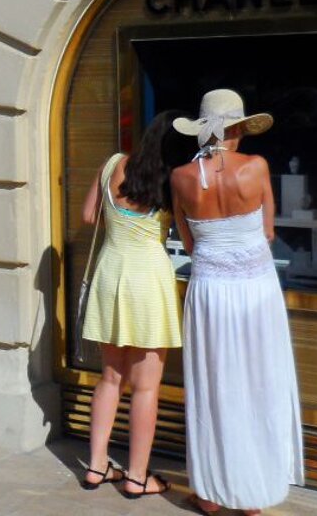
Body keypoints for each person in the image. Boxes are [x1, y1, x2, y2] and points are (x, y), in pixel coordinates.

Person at [170, 89, 304, 515]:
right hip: (256, 290)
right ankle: (254, 494)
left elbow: (188, 243)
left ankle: (211, 492)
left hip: (210, 289)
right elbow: (267, 232)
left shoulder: (180, 176)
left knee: (214, 384)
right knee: (259, 380)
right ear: (239, 128)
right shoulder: (258, 167)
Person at [80, 110, 186, 499]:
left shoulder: (112, 164)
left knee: (110, 377)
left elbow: (88, 215)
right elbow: (191, 239)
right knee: (145, 388)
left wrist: (119, 218)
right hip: (149, 280)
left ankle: (96, 465)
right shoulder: (175, 181)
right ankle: (137, 476)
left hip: (111, 272)